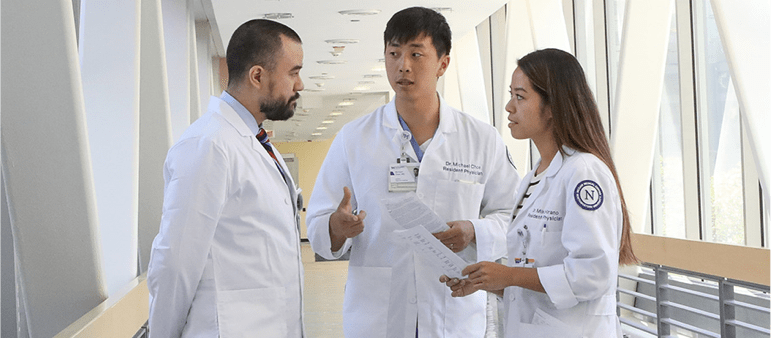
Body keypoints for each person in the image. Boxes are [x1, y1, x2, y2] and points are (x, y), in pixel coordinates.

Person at [306, 7, 520, 338]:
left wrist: (474, 230)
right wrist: (336, 227)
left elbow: (513, 216)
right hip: (377, 313)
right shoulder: (354, 138)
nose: (403, 65)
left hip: (452, 310)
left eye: (416, 54)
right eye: (394, 54)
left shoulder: (481, 139)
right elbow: (320, 221)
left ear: (443, 63)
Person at [441, 48, 637, 337]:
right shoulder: (535, 176)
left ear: (552, 107)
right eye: (511, 95)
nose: (509, 107)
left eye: (520, 97)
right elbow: (535, 271)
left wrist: (509, 275)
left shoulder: (584, 173)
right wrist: (492, 282)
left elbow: (592, 275)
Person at [146, 19, 305, 338]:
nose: (300, 85)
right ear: (257, 75)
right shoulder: (209, 144)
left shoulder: (255, 141)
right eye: (293, 72)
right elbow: (176, 263)